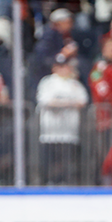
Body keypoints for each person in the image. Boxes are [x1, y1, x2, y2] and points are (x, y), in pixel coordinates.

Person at [36, 53, 88, 184]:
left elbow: (83, 101)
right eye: (59, 66)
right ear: (54, 68)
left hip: (69, 132)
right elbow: (45, 100)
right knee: (49, 161)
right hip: (50, 132)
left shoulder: (74, 83)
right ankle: (48, 182)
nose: (63, 69)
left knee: (68, 162)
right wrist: (69, 103)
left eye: (65, 66)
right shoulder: (47, 81)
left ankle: (67, 182)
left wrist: (60, 103)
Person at [31, 8, 78, 83]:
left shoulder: (68, 35)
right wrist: (63, 55)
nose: (71, 25)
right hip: (46, 78)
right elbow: (44, 60)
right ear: (59, 23)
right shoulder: (48, 37)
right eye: (68, 22)